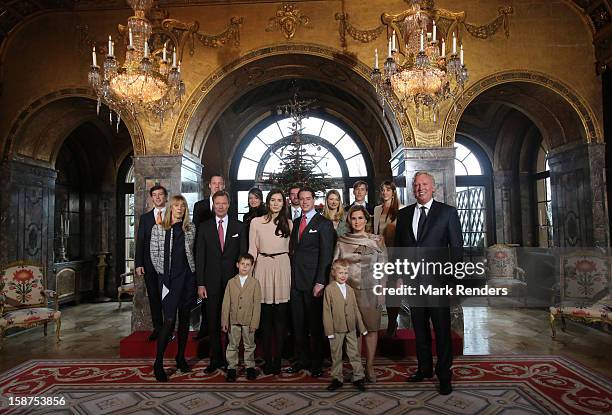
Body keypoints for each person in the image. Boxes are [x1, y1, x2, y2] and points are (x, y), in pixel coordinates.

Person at [394, 171, 463, 395]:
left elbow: (457, 251)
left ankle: (444, 375)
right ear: (412, 189)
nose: (420, 188)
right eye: (416, 185)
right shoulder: (403, 215)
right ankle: (424, 368)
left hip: (439, 283)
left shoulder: (447, 213)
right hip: (413, 282)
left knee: (442, 331)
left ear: (433, 187)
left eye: (424, 184)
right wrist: (399, 277)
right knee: (420, 329)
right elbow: (399, 250)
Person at [334, 205, 386, 382]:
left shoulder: (377, 240)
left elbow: (383, 267)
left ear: (366, 220)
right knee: (353, 331)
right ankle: (357, 368)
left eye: (360, 218)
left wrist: (382, 290)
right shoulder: (342, 241)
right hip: (348, 291)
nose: (357, 222)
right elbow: (334, 267)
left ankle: (369, 365)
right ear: (349, 220)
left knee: (371, 329)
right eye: (354, 218)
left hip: (371, 290)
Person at [197, 190, 246, 373]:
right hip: (210, 283)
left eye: (224, 203)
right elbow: (200, 257)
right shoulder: (204, 227)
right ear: (213, 205)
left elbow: (242, 257)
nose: (220, 206)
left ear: (228, 204)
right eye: (217, 203)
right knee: (213, 320)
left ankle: (230, 359)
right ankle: (215, 359)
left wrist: (242, 282)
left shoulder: (239, 227)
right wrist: (200, 283)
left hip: (233, 282)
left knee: (232, 321)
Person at [287, 187, 335, 377]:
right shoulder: (296, 222)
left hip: (314, 282)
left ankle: (317, 363)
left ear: (314, 199)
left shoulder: (324, 223)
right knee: (298, 324)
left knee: (315, 325)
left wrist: (321, 282)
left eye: (308, 198)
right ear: (297, 201)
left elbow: (326, 254)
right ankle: (302, 360)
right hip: (295, 282)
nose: (305, 202)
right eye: (302, 199)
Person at [149, 195, 197, 382]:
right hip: (169, 281)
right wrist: (166, 278)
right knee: (169, 322)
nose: (180, 209)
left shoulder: (190, 228)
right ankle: (158, 363)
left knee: (185, 320)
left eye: (183, 206)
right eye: (176, 206)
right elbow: (154, 256)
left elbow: (192, 253)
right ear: (171, 208)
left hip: (187, 279)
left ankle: (180, 357)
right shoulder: (159, 229)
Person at [248, 189, 292, 375]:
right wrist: (247, 277)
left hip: (282, 267)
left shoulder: (288, 223)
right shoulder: (256, 222)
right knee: (265, 318)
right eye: (272, 200)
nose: (275, 203)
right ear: (267, 202)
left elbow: (292, 250)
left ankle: (277, 360)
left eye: (279, 200)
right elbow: (252, 250)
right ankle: (267, 359)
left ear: (283, 203)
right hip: (263, 268)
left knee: (281, 318)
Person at [323, 259, 367, 392]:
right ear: (334, 273)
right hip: (336, 328)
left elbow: (355, 309)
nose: (343, 275)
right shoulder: (329, 289)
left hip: (351, 328)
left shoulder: (350, 289)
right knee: (336, 354)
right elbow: (326, 312)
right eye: (340, 272)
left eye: (346, 273)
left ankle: (359, 377)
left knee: (354, 353)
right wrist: (329, 330)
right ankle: (337, 378)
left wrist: (362, 327)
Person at [192, 174, 225, 341]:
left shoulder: (228, 205)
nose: (217, 186)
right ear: (209, 186)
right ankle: (204, 328)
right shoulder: (200, 206)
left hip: (223, 259)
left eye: (220, 183)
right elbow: (195, 233)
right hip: (206, 256)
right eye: (214, 183)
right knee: (206, 299)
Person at [221, 253, 262, 382]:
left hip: (248, 320)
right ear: (237, 265)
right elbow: (226, 303)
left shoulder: (255, 283)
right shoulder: (231, 282)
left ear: (251, 267)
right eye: (242, 264)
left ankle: (250, 367)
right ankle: (232, 368)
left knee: (249, 345)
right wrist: (224, 321)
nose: (245, 267)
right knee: (232, 345)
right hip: (233, 319)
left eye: (248, 265)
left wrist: (255, 322)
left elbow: (257, 305)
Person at [134, 185, 167, 341]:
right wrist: (139, 263)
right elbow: (140, 242)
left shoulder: (172, 215)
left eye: (161, 194)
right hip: (149, 265)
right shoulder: (146, 218)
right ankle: (158, 328)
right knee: (154, 297)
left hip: (168, 265)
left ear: (165, 197)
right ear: (151, 198)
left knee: (167, 298)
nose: (158, 197)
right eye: (155, 195)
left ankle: (168, 330)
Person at [373, 180, 404, 337]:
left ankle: (392, 321)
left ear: (393, 191)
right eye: (382, 190)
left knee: (393, 289)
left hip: (395, 254)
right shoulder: (377, 210)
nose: (385, 192)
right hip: (380, 254)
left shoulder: (401, 209)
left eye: (388, 189)